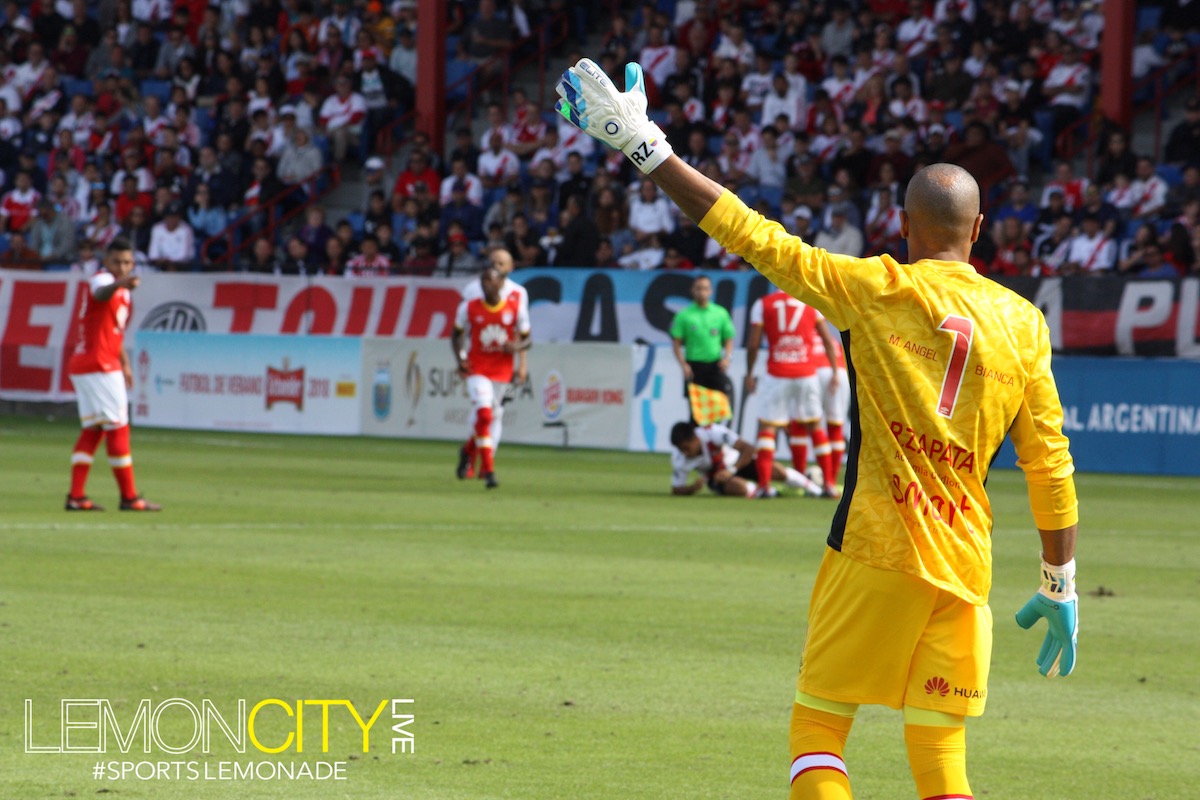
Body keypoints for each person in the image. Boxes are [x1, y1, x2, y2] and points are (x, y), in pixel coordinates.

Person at [556, 58, 1078, 800]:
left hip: (874, 546)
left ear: (902, 226)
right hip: (965, 568)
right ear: (979, 229)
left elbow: (752, 234)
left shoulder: (874, 288)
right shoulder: (1025, 325)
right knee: (941, 756)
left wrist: (647, 147)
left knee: (820, 729)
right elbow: (1050, 466)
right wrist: (1060, 583)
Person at [65, 239, 161, 512]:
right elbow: (101, 293)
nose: (122, 267)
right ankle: (130, 497)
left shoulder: (123, 292)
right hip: (99, 366)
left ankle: (76, 497)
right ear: (107, 261)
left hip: (91, 364)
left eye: (127, 263)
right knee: (118, 428)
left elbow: (114, 332)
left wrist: (127, 364)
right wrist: (119, 283)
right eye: (117, 261)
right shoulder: (102, 279)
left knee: (93, 430)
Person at [745, 290, 841, 500]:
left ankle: (764, 486)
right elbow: (826, 339)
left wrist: (750, 372)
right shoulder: (810, 301)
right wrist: (834, 370)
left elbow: (753, 344)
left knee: (768, 427)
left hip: (777, 373)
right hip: (806, 373)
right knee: (815, 425)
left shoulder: (763, 303)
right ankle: (830, 485)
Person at [450, 265, 531, 490]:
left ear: (500, 283)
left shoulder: (515, 308)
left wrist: (516, 346)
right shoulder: (469, 307)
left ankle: (467, 451)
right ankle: (489, 471)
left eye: (491, 280)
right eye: (483, 281)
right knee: (485, 415)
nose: (486, 285)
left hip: (502, 372)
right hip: (477, 369)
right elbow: (455, 335)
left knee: (493, 415)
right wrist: (460, 359)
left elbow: (528, 340)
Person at [669, 420, 820, 498]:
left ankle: (816, 490)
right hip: (715, 477)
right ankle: (773, 492)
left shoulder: (713, 432)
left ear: (695, 438)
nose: (685, 453)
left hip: (737, 463)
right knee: (739, 487)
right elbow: (676, 489)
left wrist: (731, 469)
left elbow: (748, 448)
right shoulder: (679, 458)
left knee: (777, 470)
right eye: (681, 450)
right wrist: (692, 488)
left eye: (686, 448)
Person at [670, 274, 735, 421]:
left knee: (718, 410)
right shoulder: (684, 315)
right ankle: (698, 443)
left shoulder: (720, 313)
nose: (702, 292)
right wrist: (684, 365)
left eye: (705, 288)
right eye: (698, 288)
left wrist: (727, 358)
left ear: (711, 291)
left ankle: (714, 442)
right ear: (693, 290)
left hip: (715, 365)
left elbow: (729, 339)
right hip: (694, 367)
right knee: (696, 414)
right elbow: (676, 344)